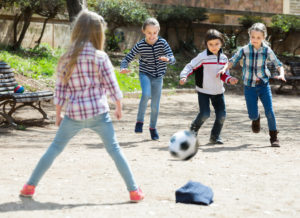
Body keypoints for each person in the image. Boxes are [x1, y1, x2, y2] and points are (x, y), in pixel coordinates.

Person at [19, 10, 144, 202]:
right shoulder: (100, 56)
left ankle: (30, 186)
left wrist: (58, 114)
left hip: (74, 114)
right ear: (98, 33)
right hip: (99, 113)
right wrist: (118, 106)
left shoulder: (66, 58)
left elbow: (60, 90)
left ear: (76, 30)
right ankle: (134, 191)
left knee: (55, 148)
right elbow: (112, 84)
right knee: (114, 149)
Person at [218, 23, 286, 147]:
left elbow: (278, 63)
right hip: (249, 86)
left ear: (264, 37)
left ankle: (274, 137)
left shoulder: (266, 50)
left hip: (263, 85)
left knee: (270, 112)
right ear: (249, 36)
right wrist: (224, 69)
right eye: (253, 37)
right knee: (252, 114)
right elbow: (232, 60)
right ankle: (256, 118)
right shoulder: (245, 49)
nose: (255, 39)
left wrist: (281, 74)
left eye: (258, 37)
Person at [120, 17, 175, 140]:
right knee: (145, 94)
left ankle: (153, 128)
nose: (152, 35)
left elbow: (172, 58)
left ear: (158, 31)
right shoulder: (140, 45)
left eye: (155, 33)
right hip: (145, 74)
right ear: (143, 31)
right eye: (149, 33)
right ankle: (139, 121)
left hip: (158, 77)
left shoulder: (162, 43)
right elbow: (127, 58)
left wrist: (168, 59)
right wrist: (123, 67)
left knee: (155, 105)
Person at [180, 29, 238, 144]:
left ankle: (215, 136)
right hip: (204, 91)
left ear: (221, 43)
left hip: (218, 91)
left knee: (221, 116)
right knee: (205, 113)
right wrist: (184, 76)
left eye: (217, 44)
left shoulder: (224, 58)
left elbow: (224, 75)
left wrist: (230, 79)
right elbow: (190, 66)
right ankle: (193, 129)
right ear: (206, 44)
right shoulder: (202, 57)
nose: (214, 46)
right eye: (210, 44)